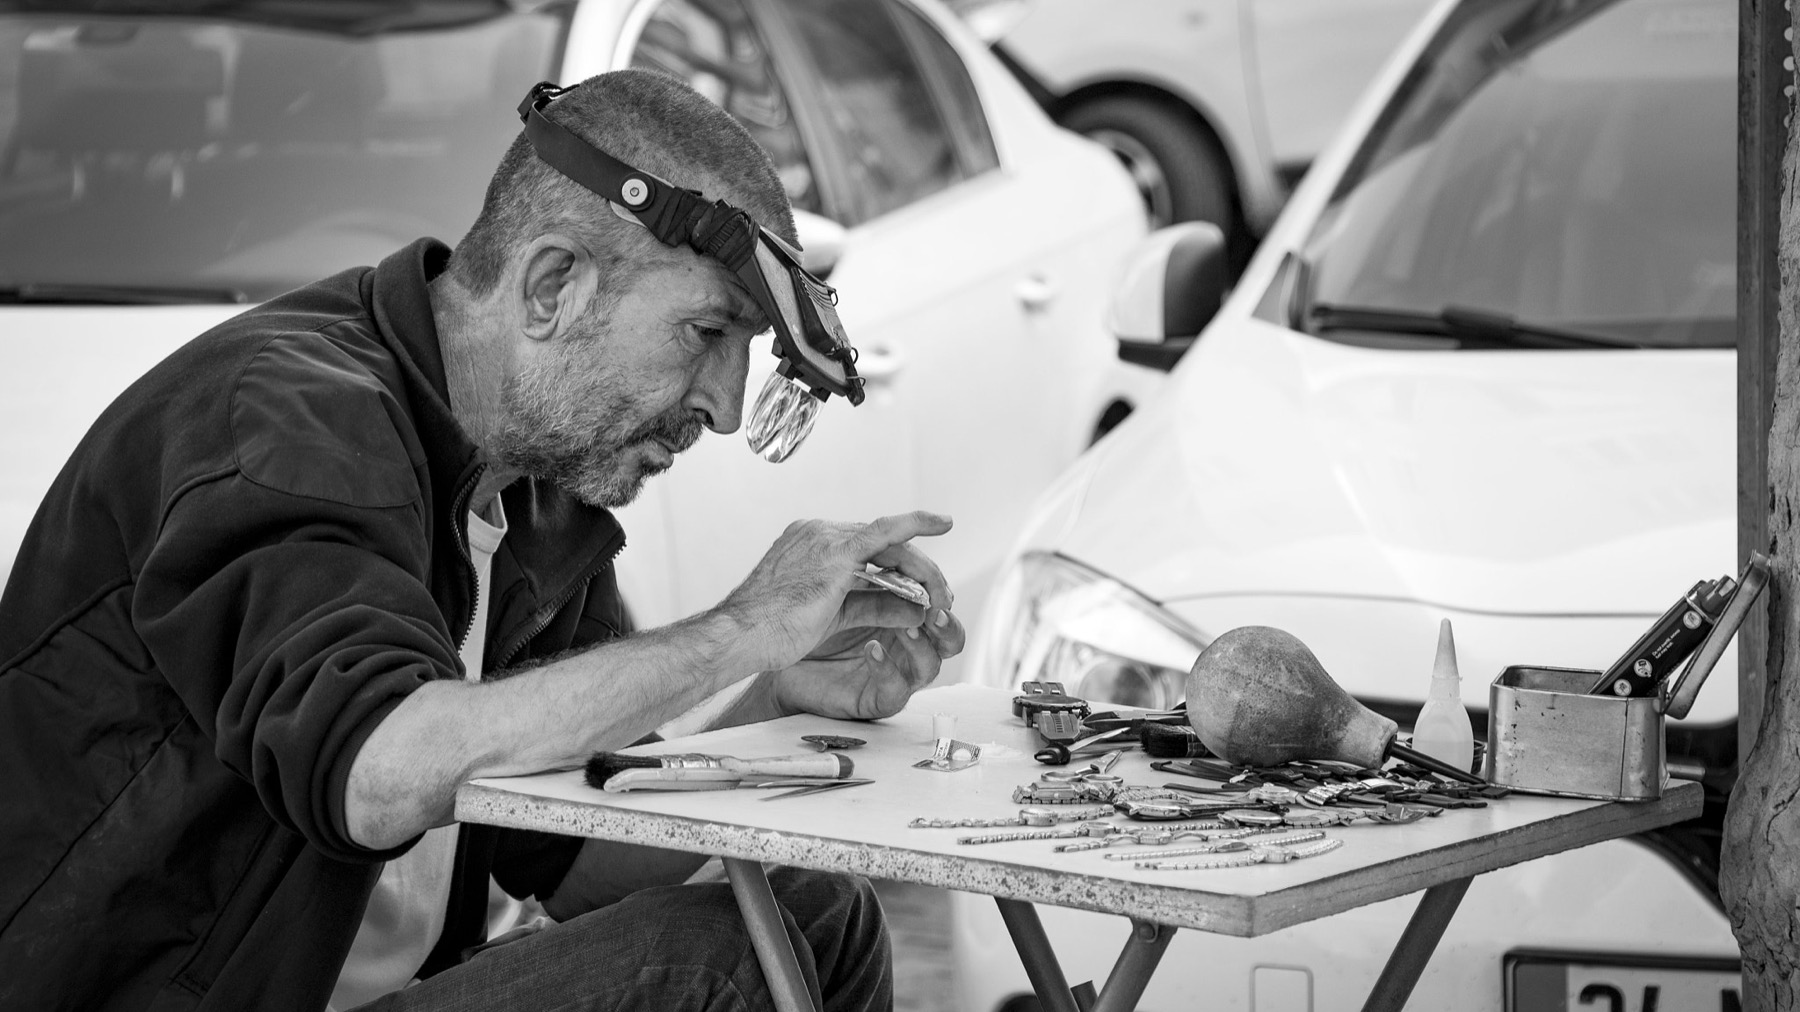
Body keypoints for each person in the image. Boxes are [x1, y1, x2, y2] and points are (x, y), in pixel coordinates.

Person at [0, 69, 964, 1012]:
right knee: (710, 959)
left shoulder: (535, 489)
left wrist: (772, 697)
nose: (724, 406)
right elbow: (377, 775)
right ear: (552, 286)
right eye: (706, 331)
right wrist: (744, 626)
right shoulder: (282, 420)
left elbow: (573, 860)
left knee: (817, 918)